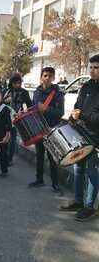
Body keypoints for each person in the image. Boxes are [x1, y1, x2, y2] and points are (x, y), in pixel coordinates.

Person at [58, 55, 99, 221]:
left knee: (92, 173)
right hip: (80, 134)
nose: (92, 71)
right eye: (90, 67)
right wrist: (73, 116)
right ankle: (78, 201)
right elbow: (77, 105)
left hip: (95, 138)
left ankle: (90, 207)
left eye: (96, 67)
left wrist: (83, 115)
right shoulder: (86, 86)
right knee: (78, 169)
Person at [28, 67, 65, 196]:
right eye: (45, 75)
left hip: (51, 129)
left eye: (50, 76)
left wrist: (48, 108)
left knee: (52, 157)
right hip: (38, 128)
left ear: (53, 78)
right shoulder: (37, 91)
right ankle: (39, 179)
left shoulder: (58, 94)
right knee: (39, 154)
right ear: (41, 77)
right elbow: (32, 107)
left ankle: (55, 184)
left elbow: (61, 113)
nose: (47, 78)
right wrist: (34, 108)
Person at [2, 73, 32, 166]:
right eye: (15, 83)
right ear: (11, 83)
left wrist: (24, 114)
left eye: (18, 83)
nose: (16, 85)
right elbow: (0, 103)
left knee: (12, 139)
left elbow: (29, 105)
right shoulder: (6, 91)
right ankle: (2, 157)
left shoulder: (24, 92)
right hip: (4, 118)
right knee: (3, 137)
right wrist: (6, 100)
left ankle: (9, 158)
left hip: (16, 118)